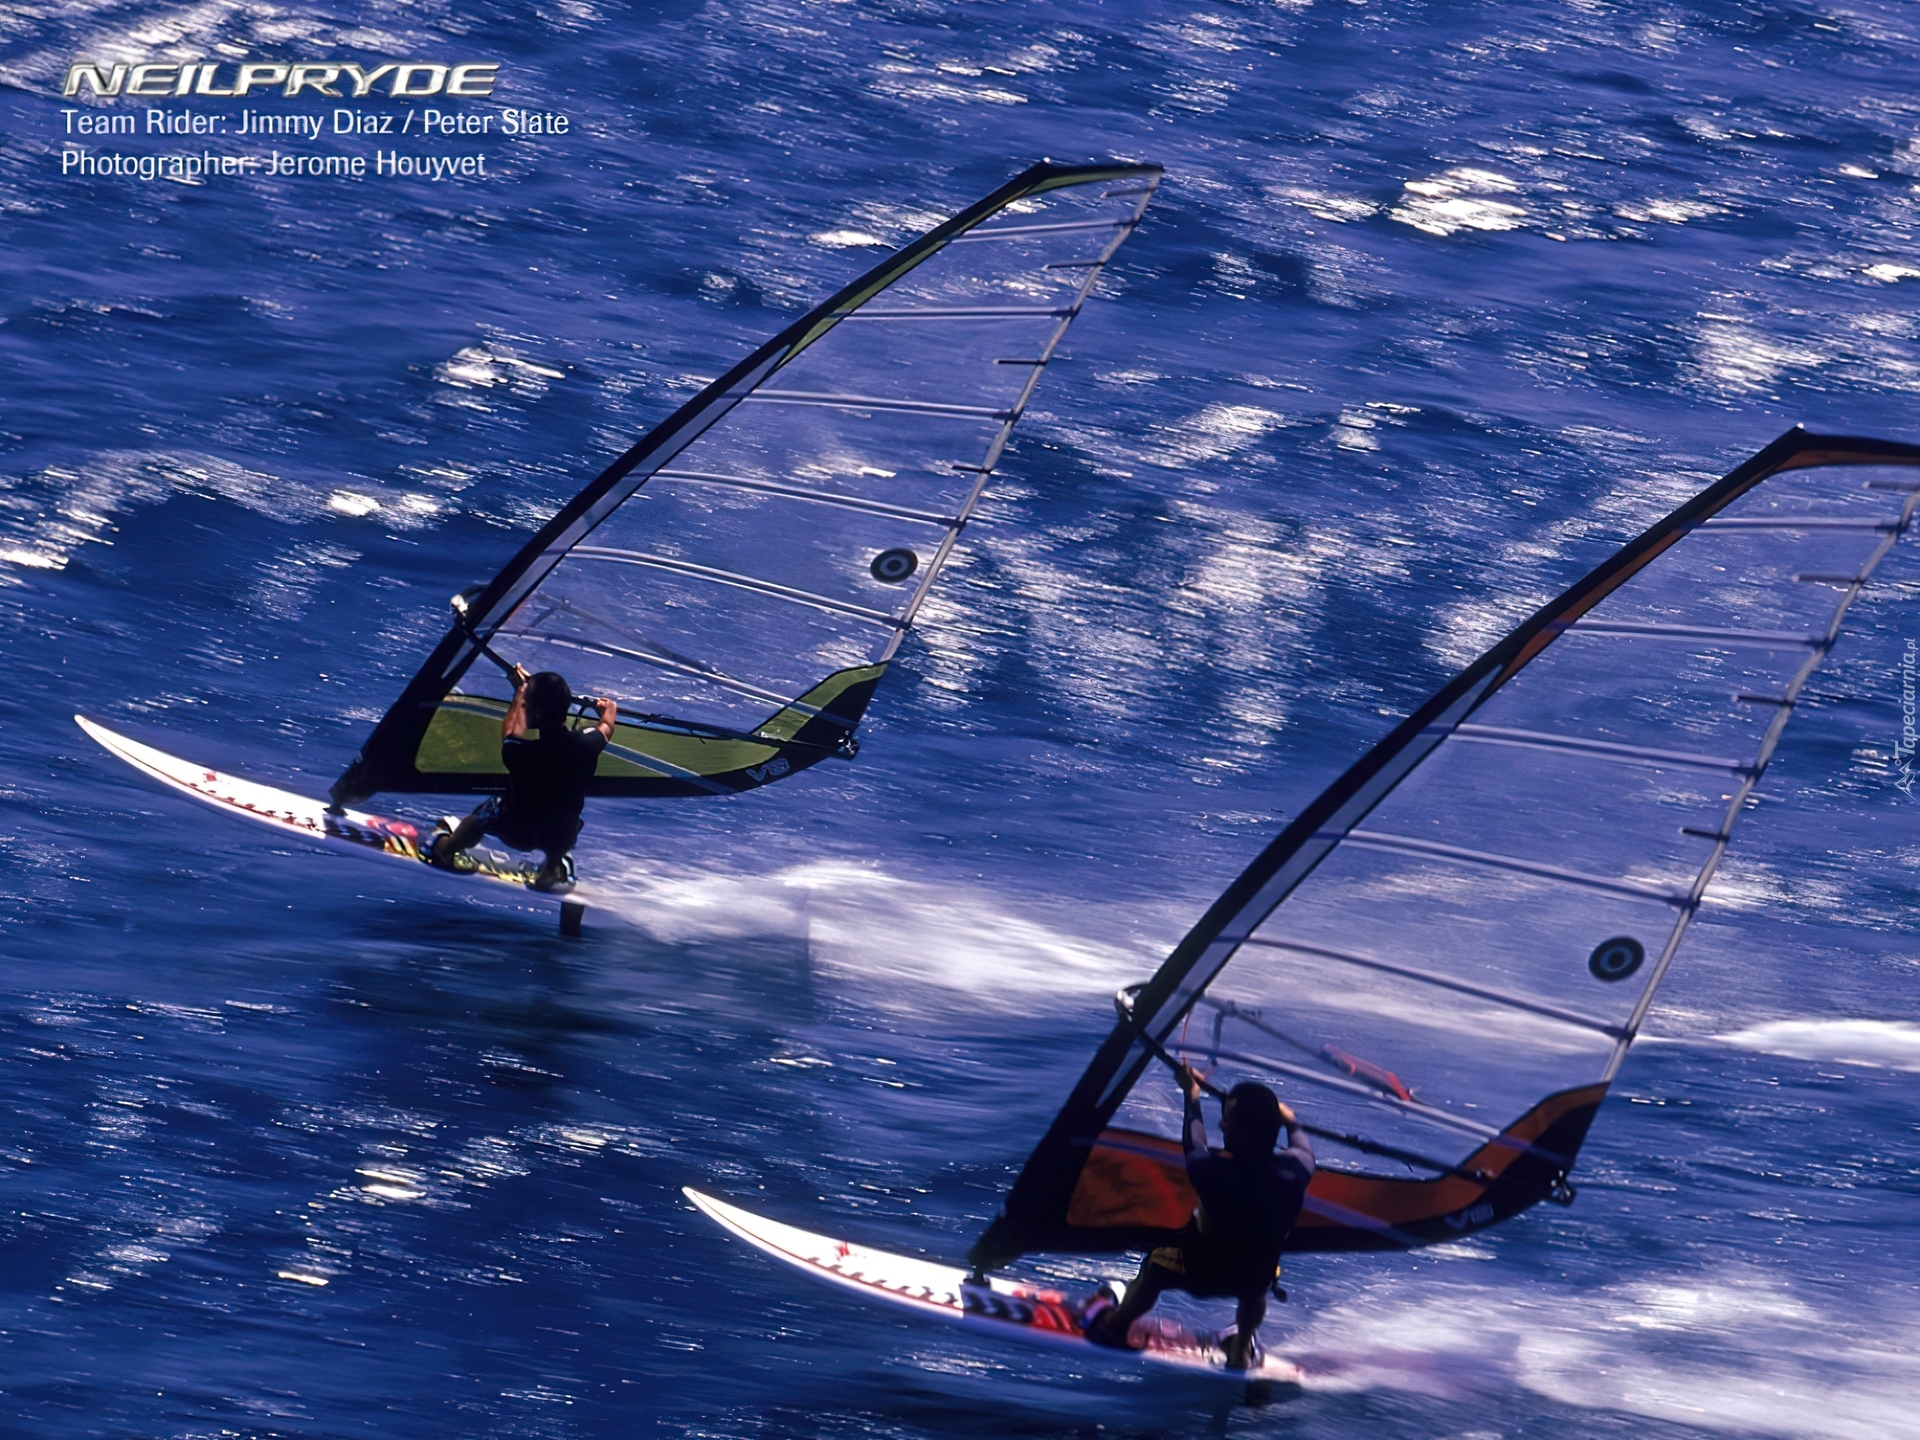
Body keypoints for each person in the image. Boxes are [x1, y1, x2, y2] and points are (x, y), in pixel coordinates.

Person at [1085, 1072, 1315, 1370]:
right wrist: (1290, 1120)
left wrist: (1191, 1095)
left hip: (1200, 1272)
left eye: (1228, 1118)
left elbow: (1194, 1142)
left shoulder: (1209, 1171)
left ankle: (1116, 1325)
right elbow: (1302, 1146)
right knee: (1258, 1284)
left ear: (1245, 1132)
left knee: (1155, 1263)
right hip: (1253, 1277)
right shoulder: (1298, 1170)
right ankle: (1240, 1351)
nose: (1221, 1124)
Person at [427, 667, 616, 892]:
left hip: (515, 832)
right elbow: (606, 727)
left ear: (536, 711)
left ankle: (445, 848)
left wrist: (519, 693)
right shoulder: (587, 746)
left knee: (487, 810)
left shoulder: (520, 753)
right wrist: (609, 709)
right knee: (569, 821)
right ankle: (550, 871)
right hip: (556, 837)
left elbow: (511, 732)